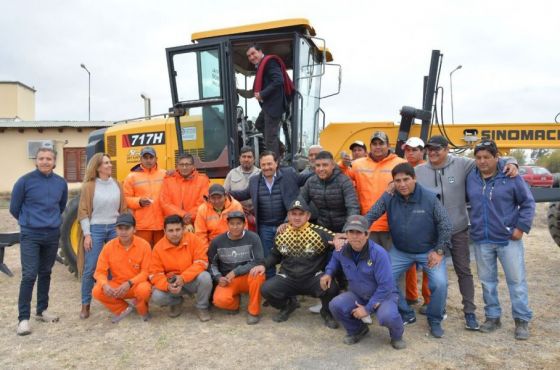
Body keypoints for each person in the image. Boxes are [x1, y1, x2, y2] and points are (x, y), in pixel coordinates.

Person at [415, 135, 519, 330]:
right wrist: (391, 185)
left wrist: (512, 162)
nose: (433, 152)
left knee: (464, 271)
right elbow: (401, 178)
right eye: (429, 149)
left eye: (437, 148)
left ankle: (469, 313)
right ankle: (438, 309)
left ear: (447, 149)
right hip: (433, 234)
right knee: (436, 274)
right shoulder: (419, 171)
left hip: (458, 229)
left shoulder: (463, 164)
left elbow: (489, 160)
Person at [365, 163, 452, 338]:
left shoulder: (429, 198)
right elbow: (371, 215)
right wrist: (354, 230)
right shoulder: (389, 196)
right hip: (400, 251)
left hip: (428, 251)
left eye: (406, 179)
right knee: (383, 277)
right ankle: (405, 313)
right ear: (393, 182)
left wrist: (439, 251)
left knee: (440, 283)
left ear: (414, 178)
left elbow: (445, 224)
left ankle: (435, 319)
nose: (402, 184)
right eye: (397, 181)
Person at [466, 140, 535, 340]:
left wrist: (521, 228)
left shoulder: (511, 177)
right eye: (478, 158)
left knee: (516, 281)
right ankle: (492, 317)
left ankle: (522, 320)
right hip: (482, 239)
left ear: (497, 157)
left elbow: (528, 203)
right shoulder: (471, 178)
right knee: (487, 282)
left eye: (487, 157)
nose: (482, 161)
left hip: (508, 240)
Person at [250, 199, 339, 328]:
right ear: (289, 215)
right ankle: (288, 305)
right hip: (288, 277)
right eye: (293, 214)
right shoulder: (281, 233)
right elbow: (275, 255)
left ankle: (326, 312)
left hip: (313, 278)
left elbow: (339, 240)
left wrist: (340, 242)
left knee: (331, 287)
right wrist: (263, 265)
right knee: (267, 289)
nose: (297, 217)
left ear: (308, 216)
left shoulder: (320, 232)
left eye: (301, 214)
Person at [10, 147, 68, 336]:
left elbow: (60, 206)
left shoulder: (61, 183)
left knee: (46, 272)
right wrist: (29, 223)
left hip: (51, 235)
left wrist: (49, 223)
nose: (45, 161)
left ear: (54, 161)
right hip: (30, 235)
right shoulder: (24, 181)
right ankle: (23, 319)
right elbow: (14, 208)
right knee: (29, 275)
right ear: (36, 161)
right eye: (41, 158)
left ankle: (41, 310)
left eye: (48, 159)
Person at [324, 215, 405, 349]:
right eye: (351, 232)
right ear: (346, 234)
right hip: (358, 294)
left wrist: (367, 309)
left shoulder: (379, 254)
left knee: (387, 316)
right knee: (335, 305)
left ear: (367, 234)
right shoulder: (342, 249)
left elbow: (386, 286)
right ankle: (357, 330)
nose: (355, 236)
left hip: (383, 296)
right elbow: (334, 259)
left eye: (359, 232)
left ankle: (397, 336)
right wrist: (328, 273)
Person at [229, 150, 311, 278]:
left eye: (269, 164)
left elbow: (306, 178)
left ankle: (290, 291)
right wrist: (225, 193)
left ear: (276, 163)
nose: (267, 167)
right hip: (264, 228)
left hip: (286, 226)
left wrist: (323, 167)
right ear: (260, 165)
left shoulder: (289, 174)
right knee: (267, 260)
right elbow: (244, 194)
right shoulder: (254, 180)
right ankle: (272, 288)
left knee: (289, 258)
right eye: (263, 165)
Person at [78, 152, 127, 320]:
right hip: (96, 229)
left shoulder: (117, 184)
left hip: (114, 228)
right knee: (91, 268)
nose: (109, 165)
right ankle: (85, 304)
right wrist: (87, 235)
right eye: (106, 163)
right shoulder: (89, 186)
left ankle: (114, 303)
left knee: (114, 267)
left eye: (110, 162)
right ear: (98, 167)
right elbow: (83, 211)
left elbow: (123, 209)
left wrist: (123, 229)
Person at [340, 131, 406, 250]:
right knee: (369, 263)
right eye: (374, 144)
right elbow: (342, 176)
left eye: (381, 143)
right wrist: (342, 164)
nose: (378, 146)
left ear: (388, 145)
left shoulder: (400, 163)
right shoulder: (357, 164)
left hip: (393, 225)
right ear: (370, 147)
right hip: (367, 224)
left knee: (393, 265)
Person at [150, 215, 212, 322]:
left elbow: (202, 262)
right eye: (171, 230)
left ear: (183, 229)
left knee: (205, 277)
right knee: (157, 296)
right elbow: (155, 274)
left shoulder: (194, 240)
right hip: (173, 284)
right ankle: (176, 302)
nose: (175, 234)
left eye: (178, 229)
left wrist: (183, 278)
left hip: (191, 280)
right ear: (164, 231)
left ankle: (202, 307)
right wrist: (168, 286)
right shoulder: (158, 248)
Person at [92, 213, 152, 323]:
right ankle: (123, 309)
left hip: (136, 285)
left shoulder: (144, 245)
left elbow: (146, 272)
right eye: (120, 228)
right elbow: (100, 272)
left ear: (134, 229)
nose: (123, 232)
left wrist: (129, 283)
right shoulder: (109, 247)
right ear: (116, 229)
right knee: (97, 290)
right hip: (118, 286)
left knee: (144, 290)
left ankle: (142, 309)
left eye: (127, 228)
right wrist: (105, 285)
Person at [208, 211, 265, 324]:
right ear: (227, 225)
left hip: (247, 276)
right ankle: (234, 304)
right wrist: (219, 278)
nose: (235, 227)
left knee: (258, 274)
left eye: (238, 223)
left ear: (244, 224)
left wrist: (236, 271)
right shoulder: (217, 241)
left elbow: (259, 261)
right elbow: (211, 264)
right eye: (232, 223)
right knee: (219, 300)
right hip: (228, 280)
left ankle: (253, 312)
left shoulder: (253, 237)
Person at [246, 44, 294, 157]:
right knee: (259, 124)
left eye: (253, 53)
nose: (252, 57)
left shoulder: (269, 62)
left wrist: (262, 94)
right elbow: (253, 91)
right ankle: (280, 147)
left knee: (270, 139)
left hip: (274, 105)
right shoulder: (261, 66)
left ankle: (274, 166)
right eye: (249, 56)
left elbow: (278, 80)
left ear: (260, 51)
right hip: (268, 106)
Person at [401, 137, 430, 312]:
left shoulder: (428, 169)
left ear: (422, 150)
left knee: (428, 263)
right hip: (405, 220)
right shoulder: (402, 168)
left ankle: (429, 300)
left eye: (414, 149)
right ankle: (411, 296)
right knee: (407, 262)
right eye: (408, 149)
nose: (410, 153)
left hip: (424, 221)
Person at [300, 151, 360, 233]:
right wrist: (287, 222)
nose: (321, 169)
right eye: (318, 165)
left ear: (332, 165)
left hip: (344, 228)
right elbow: (299, 203)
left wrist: (348, 230)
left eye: (325, 165)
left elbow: (353, 207)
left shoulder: (344, 181)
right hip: (323, 228)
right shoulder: (311, 182)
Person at [123, 146, 166, 247]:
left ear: (156, 159)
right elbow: (125, 199)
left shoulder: (164, 174)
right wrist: (139, 202)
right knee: (142, 252)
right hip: (142, 225)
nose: (148, 160)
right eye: (145, 158)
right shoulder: (131, 177)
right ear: (140, 159)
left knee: (161, 253)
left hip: (162, 223)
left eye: (151, 157)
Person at [159, 153, 210, 230]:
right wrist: (183, 215)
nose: (184, 167)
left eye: (187, 164)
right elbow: (165, 202)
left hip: (196, 223)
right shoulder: (168, 181)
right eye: (181, 164)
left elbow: (204, 202)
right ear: (177, 166)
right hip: (173, 225)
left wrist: (189, 216)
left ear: (193, 166)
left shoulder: (203, 180)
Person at [223, 146, 260, 229]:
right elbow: (224, 194)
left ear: (254, 159)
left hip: (256, 215)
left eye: (249, 157)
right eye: (244, 157)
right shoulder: (232, 174)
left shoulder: (260, 174)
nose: (246, 159)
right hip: (236, 215)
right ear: (239, 158)